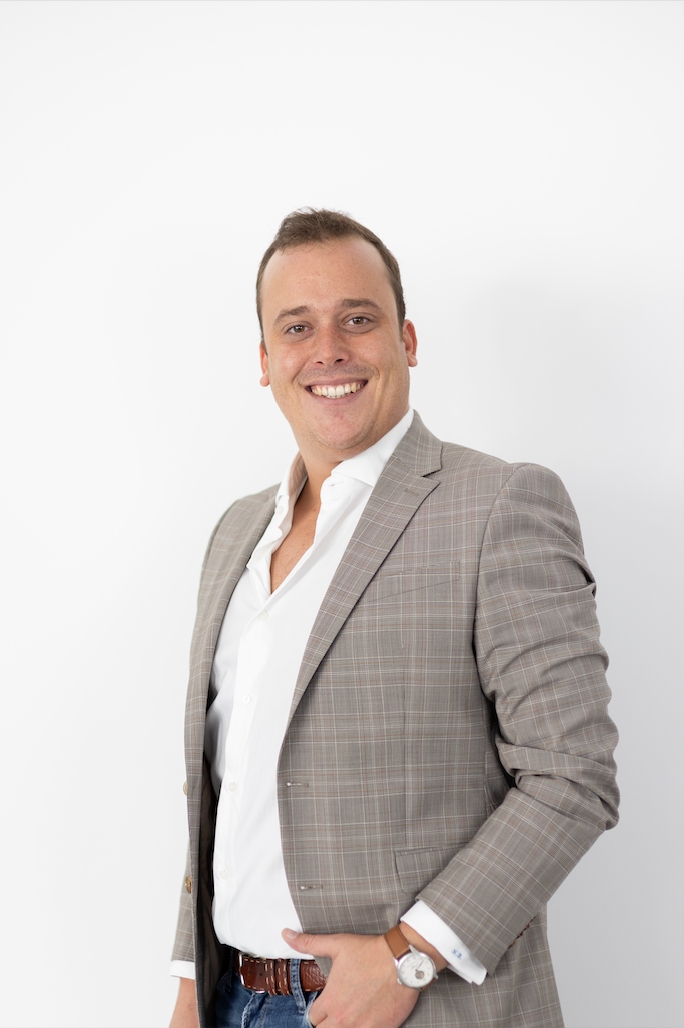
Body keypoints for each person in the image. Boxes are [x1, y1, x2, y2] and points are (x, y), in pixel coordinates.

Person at [168, 209, 619, 1028]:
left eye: (358, 319)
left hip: (418, 1004)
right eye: (297, 328)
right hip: (231, 997)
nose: (328, 349)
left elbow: (573, 775)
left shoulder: (499, 505)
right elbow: (227, 790)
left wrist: (411, 953)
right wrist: (190, 981)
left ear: (406, 340)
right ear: (265, 362)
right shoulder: (236, 533)